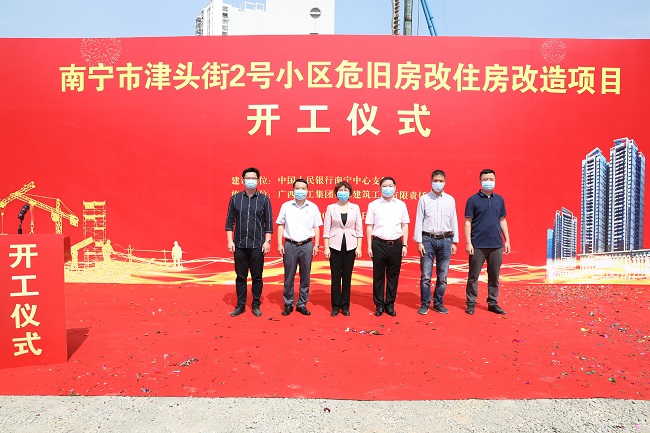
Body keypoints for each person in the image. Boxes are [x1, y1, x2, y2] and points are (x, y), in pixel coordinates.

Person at [225, 167, 273, 317]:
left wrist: (267, 241)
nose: (250, 181)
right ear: (243, 180)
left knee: (257, 277)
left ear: (258, 180)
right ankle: (240, 305)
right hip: (239, 244)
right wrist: (230, 241)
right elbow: (229, 222)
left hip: (257, 245)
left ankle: (256, 304)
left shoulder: (264, 200)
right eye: (248, 178)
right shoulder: (235, 199)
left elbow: (268, 223)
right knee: (241, 277)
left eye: (253, 178)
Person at [464, 168, 511, 315]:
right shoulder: (472, 200)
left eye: (491, 179)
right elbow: (467, 222)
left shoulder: (499, 200)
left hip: (496, 244)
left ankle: (492, 302)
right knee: (473, 276)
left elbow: (502, 220)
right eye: (485, 179)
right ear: (480, 181)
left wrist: (507, 240)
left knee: (494, 276)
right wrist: (468, 242)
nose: (488, 182)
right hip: (478, 244)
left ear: (495, 181)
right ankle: (471, 303)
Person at [414, 170, 459, 315]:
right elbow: (419, 220)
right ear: (431, 181)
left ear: (445, 182)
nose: (438, 183)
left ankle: (438, 302)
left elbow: (454, 220)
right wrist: (419, 242)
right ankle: (425, 303)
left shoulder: (450, 200)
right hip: (427, 240)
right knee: (426, 275)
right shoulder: (424, 199)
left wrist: (455, 241)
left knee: (443, 275)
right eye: (435, 181)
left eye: (441, 181)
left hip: (446, 240)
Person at [276, 179, 323, 316]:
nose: (300, 191)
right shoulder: (286, 206)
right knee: (289, 276)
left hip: (307, 245)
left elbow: (316, 227)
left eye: (303, 188)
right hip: (290, 245)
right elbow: (280, 225)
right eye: (298, 188)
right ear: (293, 190)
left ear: (307, 190)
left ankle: (302, 303)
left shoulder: (313, 207)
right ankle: (288, 303)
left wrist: (316, 244)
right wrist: (279, 243)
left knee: (305, 276)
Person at [365, 177, 410, 317]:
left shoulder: (401, 205)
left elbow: (405, 225)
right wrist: (369, 246)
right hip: (378, 244)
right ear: (380, 188)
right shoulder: (373, 205)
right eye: (385, 186)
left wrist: (404, 244)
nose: (388, 188)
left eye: (390, 185)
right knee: (378, 276)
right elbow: (369, 226)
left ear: (395, 187)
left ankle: (390, 304)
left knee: (393, 276)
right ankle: (379, 305)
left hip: (396, 244)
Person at [323, 181, 363, 317]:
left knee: (347, 276)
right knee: (335, 277)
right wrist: (326, 247)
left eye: (346, 190)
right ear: (336, 193)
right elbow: (326, 229)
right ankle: (335, 306)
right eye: (340, 190)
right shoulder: (331, 208)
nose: (343, 193)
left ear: (350, 193)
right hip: (334, 245)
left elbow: (359, 229)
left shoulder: (355, 208)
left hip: (351, 245)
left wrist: (359, 247)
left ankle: (345, 306)